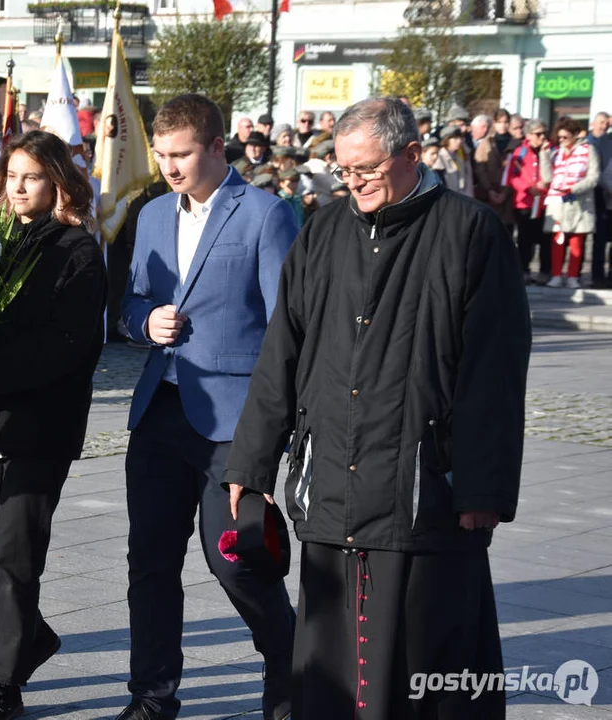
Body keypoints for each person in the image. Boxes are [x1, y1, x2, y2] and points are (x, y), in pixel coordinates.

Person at [224, 96, 531, 720]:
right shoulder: (325, 230)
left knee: (421, 665)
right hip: (332, 477)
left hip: (422, 487)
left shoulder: (470, 231)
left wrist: (483, 488)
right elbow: (283, 349)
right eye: (344, 170)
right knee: (331, 667)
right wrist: (250, 464)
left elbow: (493, 373)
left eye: (366, 168)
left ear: (412, 155)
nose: (353, 182)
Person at [119, 93, 299, 720]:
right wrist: (147, 322)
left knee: (237, 560)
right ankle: (152, 695)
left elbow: (287, 329)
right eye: (162, 155)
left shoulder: (267, 215)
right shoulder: (149, 216)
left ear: (217, 147)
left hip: (235, 421)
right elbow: (131, 303)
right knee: (150, 562)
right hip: (160, 411)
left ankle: (288, 661)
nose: (170, 167)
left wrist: (276, 433)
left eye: (182, 154)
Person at [0, 130, 106, 720]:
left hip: (41, 421)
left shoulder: (76, 250)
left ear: (57, 181)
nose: (17, 186)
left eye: (31, 177)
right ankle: (31, 636)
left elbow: (63, 348)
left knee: (16, 552)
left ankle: (3, 685)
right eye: (10, 175)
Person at [542, 116, 601, 289]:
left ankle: (573, 276)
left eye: (565, 137)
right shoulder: (555, 152)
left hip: (579, 201)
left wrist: (574, 188)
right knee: (558, 239)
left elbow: (593, 178)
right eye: (559, 137)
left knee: (576, 240)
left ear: (575, 134)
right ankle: (556, 275)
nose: (561, 141)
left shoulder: (589, 150)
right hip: (559, 201)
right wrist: (544, 156)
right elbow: (547, 178)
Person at [506, 119, 551, 283]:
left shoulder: (550, 150)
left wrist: (544, 188)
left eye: (544, 133)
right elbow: (512, 177)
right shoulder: (520, 152)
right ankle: (523, 270)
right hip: (525, 201)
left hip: (545, 201)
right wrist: (527, 188)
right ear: (529, 135)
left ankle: (545, 272)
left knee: (545, 238)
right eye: (538, 134)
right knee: (525, 238)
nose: (542, 137)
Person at [474, 115, 514, 236]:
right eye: (499, 122)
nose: (503, 125)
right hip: (489, 196)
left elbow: (517, 172)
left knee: (507, 234)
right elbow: (480, 169)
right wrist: (490, 190)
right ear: (495, 124)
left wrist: (505, 192)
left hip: (509, 197)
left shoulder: (515, 143)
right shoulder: (486, 143)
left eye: (506, 122)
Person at [588, 111, 612, 287]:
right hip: (600, 198)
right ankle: (597, 276)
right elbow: (603, 176)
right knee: (600, 240)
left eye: (607, 123)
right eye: (601, 122)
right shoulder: (591, 143)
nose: (604, 126)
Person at [434, 125, 474, 197]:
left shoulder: (462, 154)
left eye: (460, 138)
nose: (459, 141)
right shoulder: (439, 157)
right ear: (446, 140)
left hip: (464, 197)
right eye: (455, 138)